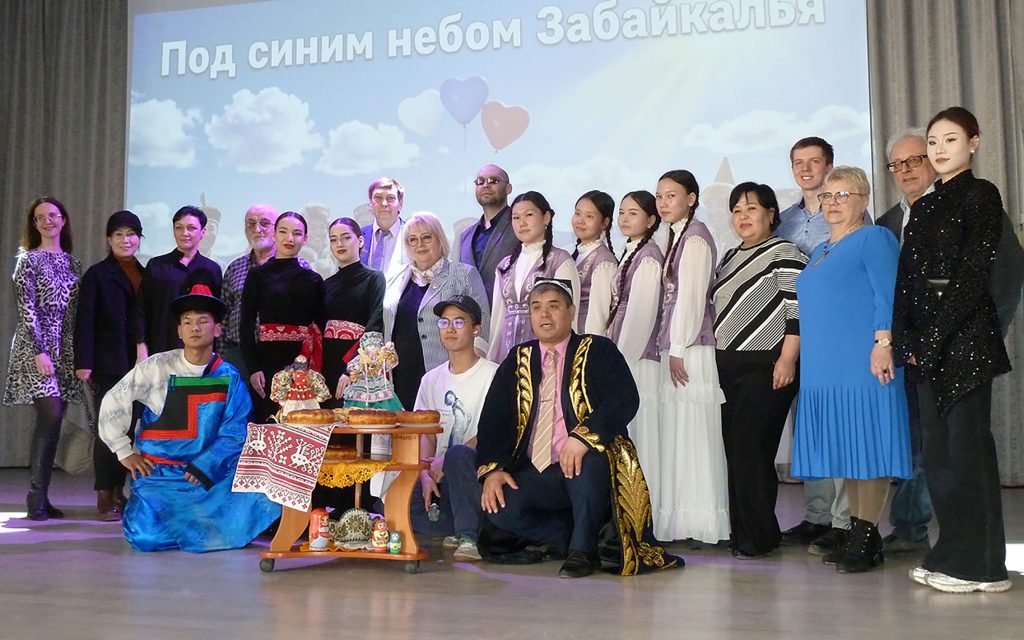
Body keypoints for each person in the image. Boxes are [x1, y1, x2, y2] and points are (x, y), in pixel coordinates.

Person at [476, 278, 680, 578]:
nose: (544, 314)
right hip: (534, 469)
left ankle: (582, 553)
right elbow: (494, 420)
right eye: (536, 307)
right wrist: (493, 469)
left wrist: (584, 437)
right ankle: (572, 538)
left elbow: (624, 398)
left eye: (553, 306)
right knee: (499, 506)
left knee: (587, 465)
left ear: (571, 312)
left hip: (584, 466)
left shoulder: (598, 349)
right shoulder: (518, 358)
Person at [894, 107, 1014, 593]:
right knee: (939, 457)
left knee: (968, 454)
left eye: (950, 139)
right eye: (933, 141)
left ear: (974, 143)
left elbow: (971, 277)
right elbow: (908, 280)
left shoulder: (981, 194)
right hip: (927, 348)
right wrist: (906, 339)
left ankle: (982, 566)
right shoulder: (924, 206)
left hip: (965, 343)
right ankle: (952, 552)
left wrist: (932, 337)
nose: (939, 149)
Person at [97, 284, 278, 552]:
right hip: (159, 475)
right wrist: (123, 451)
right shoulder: (157, 367)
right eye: (187, 322)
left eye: (203, 321)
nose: (195, 328)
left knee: (264, 499)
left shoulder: (229, 376)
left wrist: (205, 466)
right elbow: (115, 399)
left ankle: (199, 522)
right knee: (144, 537)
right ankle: (198, 524)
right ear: (179, 331)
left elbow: (236, 431)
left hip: (208, 476)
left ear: (217, 329)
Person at [793, 166, 911, 574]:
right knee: (849, 451)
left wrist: (883, 343)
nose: (833, 203)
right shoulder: (821, 250)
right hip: (825, 366)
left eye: (843, 195)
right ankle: (861, 535)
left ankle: (865, 534)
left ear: (864, 200)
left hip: (863, 362)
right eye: (828, 196)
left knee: (869, 448)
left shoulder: (874, 238)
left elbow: (888, 294)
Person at [712, 183, 806, 558]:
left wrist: (788, 359)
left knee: (752, 451)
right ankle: (746, 534)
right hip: (727, 367)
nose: (743, 216)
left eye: (751, 208)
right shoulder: (729, 256)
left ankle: (758, 538)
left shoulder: (785, 252)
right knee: (736, 451)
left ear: (771, 214)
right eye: (737, 210)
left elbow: (797, 310)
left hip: (767, 365)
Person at [774, 137, 854, 554]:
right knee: (807, 428)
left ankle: (844, 520)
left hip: (833, 335)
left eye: (814, 161)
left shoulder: (848, 214)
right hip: (792, 336)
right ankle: (817, 515)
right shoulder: (784, 221)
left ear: (830, 165)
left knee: (836, 427)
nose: (805, 169)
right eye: (798, 163)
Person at [655, 170, 729, 544]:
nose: (664, 203)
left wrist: (679, 346)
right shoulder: (675, 236)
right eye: (659, 196)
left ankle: (702, 522)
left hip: (692, 348)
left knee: (695, 434)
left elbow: (692, 297)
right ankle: (681, 520)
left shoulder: (696, 237)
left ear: (692, 198)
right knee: (679, 434)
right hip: (677, 345)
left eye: (671, 195)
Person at [875, 130, 935, 555]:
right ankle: (911, 529)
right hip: (900, 354)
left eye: (915, 160)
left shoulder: (964, 208)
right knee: (912, 445)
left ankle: (965, 537)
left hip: (953, 351)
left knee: (946, 447)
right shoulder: (885, 225)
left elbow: (1003, 280)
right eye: (898, 164)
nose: (906, 170)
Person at [3, 196, 83, 521]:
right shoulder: (28, 260)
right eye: (40, 217)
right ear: (34, 224)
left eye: (53, 215)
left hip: (64, 348)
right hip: (35, 346)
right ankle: (35, 497)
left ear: (63, 220)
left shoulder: (73, 263)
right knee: (50, 414)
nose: (47, 221)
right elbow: (27, 310)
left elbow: (74, 314)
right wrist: (40, 351)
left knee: (53, 421)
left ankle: (42, 497)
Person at [406, 295, 498, 562]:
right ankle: (460, 524)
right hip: (439, 473)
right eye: (444, 322)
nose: (450, 329)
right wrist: (425, 473)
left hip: (474, 468)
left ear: (476, 329)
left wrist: (445, 460)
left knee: (458, 454)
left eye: (459, 322)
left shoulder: (493, 374)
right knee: (397, 498)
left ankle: (469, 537)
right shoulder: (431, 379)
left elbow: (492, 431)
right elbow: (425, 431)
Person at [74, 210, 146, 521]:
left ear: (139, 239)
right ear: (108, 239)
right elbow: (85, 320)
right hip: (107, 363)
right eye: (118, 234)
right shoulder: (98, 274)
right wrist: (84, 362)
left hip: (138, 366)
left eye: (131, 234)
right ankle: (104, 493)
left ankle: (119, 490)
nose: (125, 240)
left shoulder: (146, 273)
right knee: (109, 428)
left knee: (129, 429)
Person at [383, 212, 489, 410]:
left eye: (426, 237)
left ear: (440, 239)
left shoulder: (464, 274)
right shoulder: (394, 277)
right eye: (412, 240)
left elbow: (483, 325)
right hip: (399, 377)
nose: (420, 245)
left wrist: (469, 375)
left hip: (447, 375)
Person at [605, 190, 663, 507]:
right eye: (622, 213)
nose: (625, 219)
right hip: (625, 353)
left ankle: (642, 512)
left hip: (637, 360)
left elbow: (641, 315)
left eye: (634, 213)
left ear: (651, 220)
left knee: (639, 434)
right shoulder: (632, 251)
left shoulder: (649, 256)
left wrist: (620, 365)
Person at [240, 212, 325, 421]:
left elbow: (320, 327)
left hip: (303, 363)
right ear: (274, 235)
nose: (290, 238)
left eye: (297, 233)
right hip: (267, 363)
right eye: (283, 232)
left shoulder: (313, 279)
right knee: (269, 423)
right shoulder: (257, 275)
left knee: (302, 423)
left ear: (305, 239)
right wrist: (253, 368)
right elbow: (246, 325)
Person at [487, 191, 580, 364]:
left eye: (528, 215)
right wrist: (491, 359)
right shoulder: (504, 266)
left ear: (546, 217)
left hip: (547, 358)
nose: (522, 223)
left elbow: (569, 318)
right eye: (516, 218)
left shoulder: (560, 261)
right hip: (506, 357)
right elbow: (497, 320)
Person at [221, 204, 311, 381]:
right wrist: (222, 358)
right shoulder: (235, 267)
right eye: (251, 224)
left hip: (283, 356)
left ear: (276, 230)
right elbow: (224, 316)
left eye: (264, 223)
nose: (257, 229)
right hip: (238, 354)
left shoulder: (302, 268)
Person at [134, 205, 222, 359]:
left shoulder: (212, 269)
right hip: (161, 348)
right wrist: (141, 347)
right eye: (179, 228)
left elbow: (217, 315)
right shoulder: (156, 266)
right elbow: (142, 309)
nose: (184, 233)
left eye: (191, 228)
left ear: (203, 232)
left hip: (200, 355)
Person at [322, 217, 385, 405]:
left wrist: (352, 368)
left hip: (358, 365)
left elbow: (375, 325)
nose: (339, 244)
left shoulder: (374, 278)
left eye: (346, 237)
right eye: (333, 239)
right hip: (327, 366)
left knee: (356, 418)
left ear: (361, 241)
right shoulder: (326, 285)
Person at [457, 164, 519, 304]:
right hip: (472, 315)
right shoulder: (466, 236)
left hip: (509, 312)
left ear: (508, 188)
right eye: (480, 181)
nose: (486, 185)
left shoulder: (519, 226)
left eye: (493, 180)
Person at [571, 190, 617, 336]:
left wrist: (591, 345)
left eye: (589, 216)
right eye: (577, 213)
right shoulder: (574, 256)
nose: (580, 220)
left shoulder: (604, 261)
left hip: (584, 336)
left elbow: (599, 316)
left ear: (605, 223)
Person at [360, 176, 406, 275]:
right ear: (370, 203)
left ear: (400, 204)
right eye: (378, 197)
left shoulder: (413, 236)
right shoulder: (357, 236)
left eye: (390, 198)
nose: (384, 203)